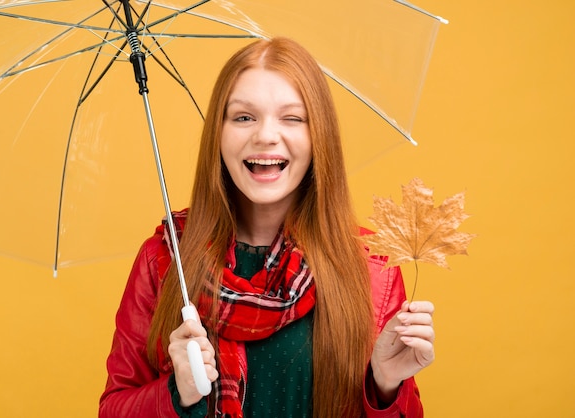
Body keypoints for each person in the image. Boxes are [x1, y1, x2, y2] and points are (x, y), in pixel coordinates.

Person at [99, 37, 435, 417]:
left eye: (292, 118)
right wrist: (177, 393)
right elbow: (114, 407)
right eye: (244, 117)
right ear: (219, 135)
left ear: (318, 136)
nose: (265, 136)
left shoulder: (371, 266)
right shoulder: (164, 258)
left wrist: (385, 385)